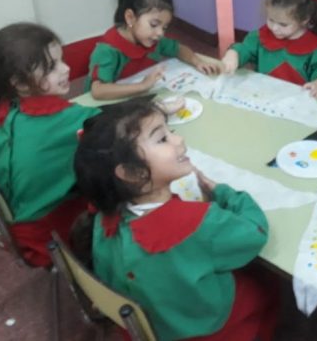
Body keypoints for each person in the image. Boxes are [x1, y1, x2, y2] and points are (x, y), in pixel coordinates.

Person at [73, 99, 278, 341]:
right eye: (162, 139)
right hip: (206, 329)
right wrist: (223, 192)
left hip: (151, 324)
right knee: (269, 285)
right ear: (132, 173)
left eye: (170, 131)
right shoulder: (199, 223)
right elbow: (256, 232)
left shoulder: (102, 217)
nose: (179, 139)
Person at [0, 23, 101, 267]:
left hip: (8, 223)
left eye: (62, 59)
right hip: (49, 240)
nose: (66, 68)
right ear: (20, 83)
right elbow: (114, 134)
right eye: (52, 67)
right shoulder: (72, 118)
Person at [87, 0, 220, 100]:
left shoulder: (153, 40)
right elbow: (98, 91)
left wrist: (197, 62)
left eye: (165, 27)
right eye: (154, 24)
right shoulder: (107, 50)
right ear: (130, 18)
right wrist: (142, 86)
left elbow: (178, 49)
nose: (160, 33)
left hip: (143, 99)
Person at [221, 0, 317, 97]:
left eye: (283, 24)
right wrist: (233, 53)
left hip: (296, 100)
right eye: (270, 20)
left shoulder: (316, 48)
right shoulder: (260, 36)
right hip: (263, 96)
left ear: (304, 19)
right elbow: (245, 49)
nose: (274, 28)